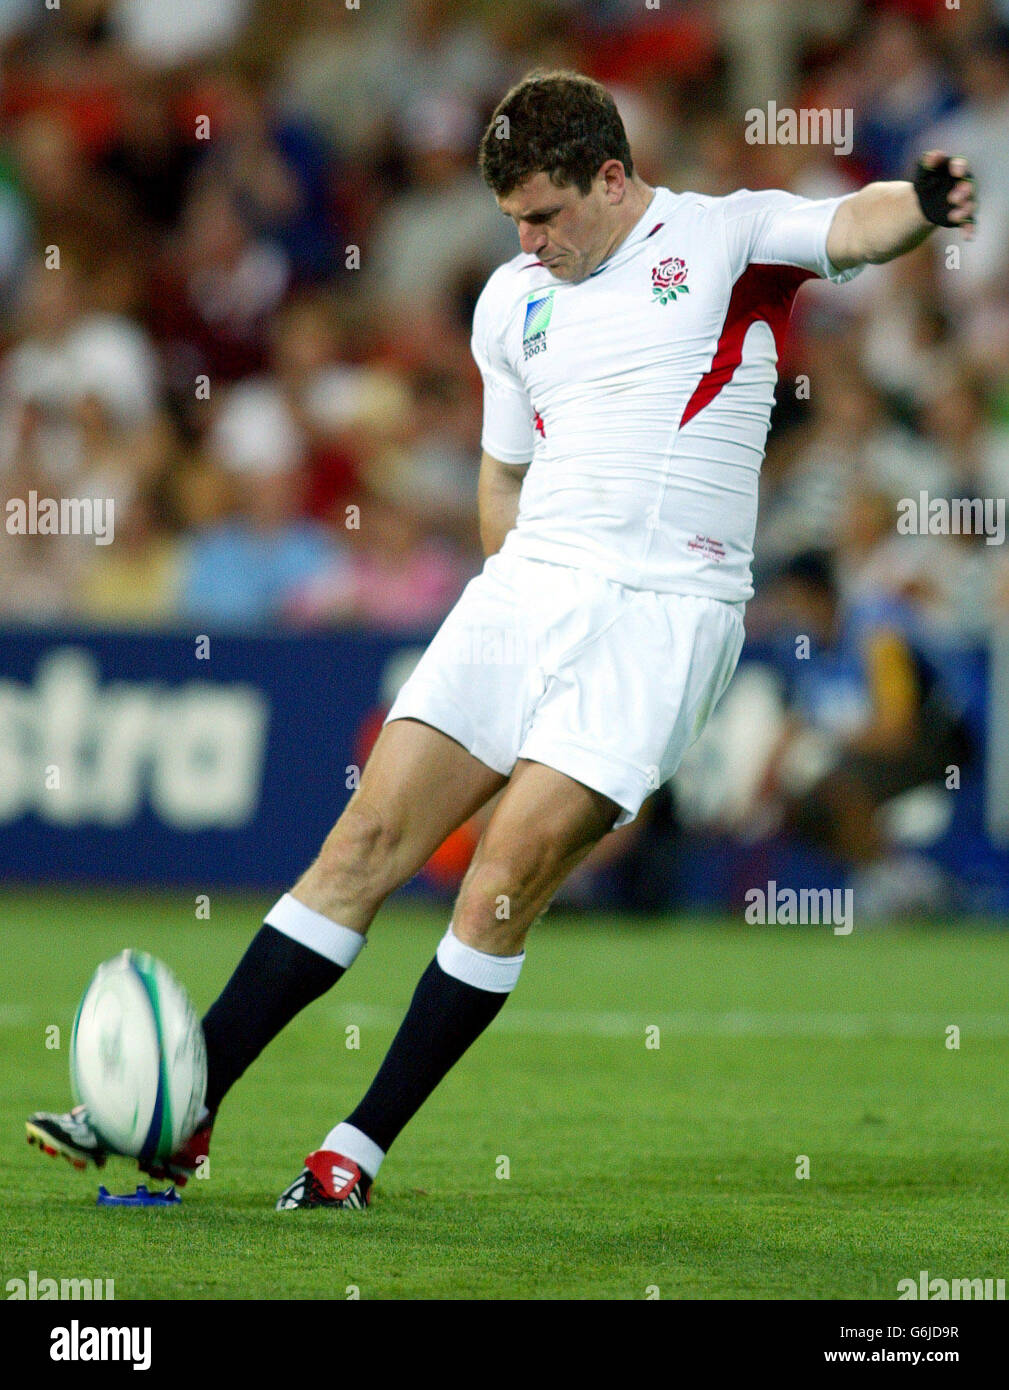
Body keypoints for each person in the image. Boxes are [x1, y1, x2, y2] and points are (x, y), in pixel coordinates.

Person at [27, 71, 977, 1209]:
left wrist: (921, 199)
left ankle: (354, 1149)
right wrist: (504, 593)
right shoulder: (510, 299)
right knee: (362, 841)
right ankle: (186, 1113)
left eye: (544, 214)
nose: (529, 241)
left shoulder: (724, 239)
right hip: (525, 588)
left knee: (499, 882)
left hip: (663, 616)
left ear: (612, 177)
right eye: (513, 221)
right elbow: (500, 468)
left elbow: (853, 223)